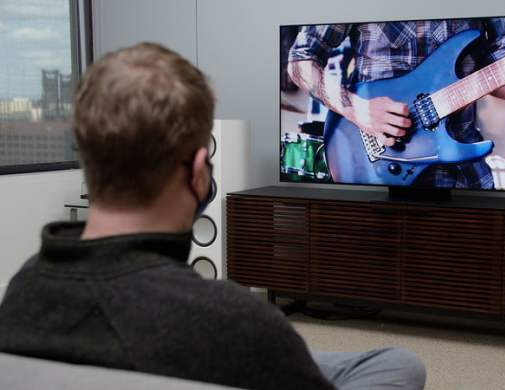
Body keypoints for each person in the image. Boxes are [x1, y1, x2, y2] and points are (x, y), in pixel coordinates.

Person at [0, 43, 426, 389]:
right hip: (239, 341)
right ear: (199, 170)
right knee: (398, 365)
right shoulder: (232, 318)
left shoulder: (22, 293)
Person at [288, 18, 505, 189]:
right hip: (379, 168)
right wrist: (356, 108)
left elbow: (498, 72)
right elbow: (301, 62)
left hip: (461, 176)